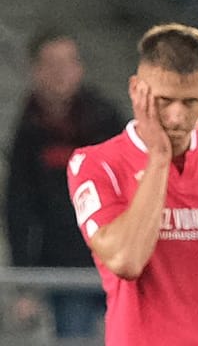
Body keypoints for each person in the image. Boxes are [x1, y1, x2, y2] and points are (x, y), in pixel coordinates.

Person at [66, 23, 198, 345]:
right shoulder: (97, 164)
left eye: (190, 101)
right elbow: (125, 259)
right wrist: (158, 159)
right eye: (164, 101)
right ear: (136, 89)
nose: (177, 116)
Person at [5, 27, 125, 339]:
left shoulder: (107, 119)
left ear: (80, 68)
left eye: (69, 62)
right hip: (63, 264)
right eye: (52, 64)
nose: (62, 73)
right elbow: (19, 209)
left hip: (117, 259)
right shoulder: (28, 133)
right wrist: (26, 284)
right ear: (35, 70)